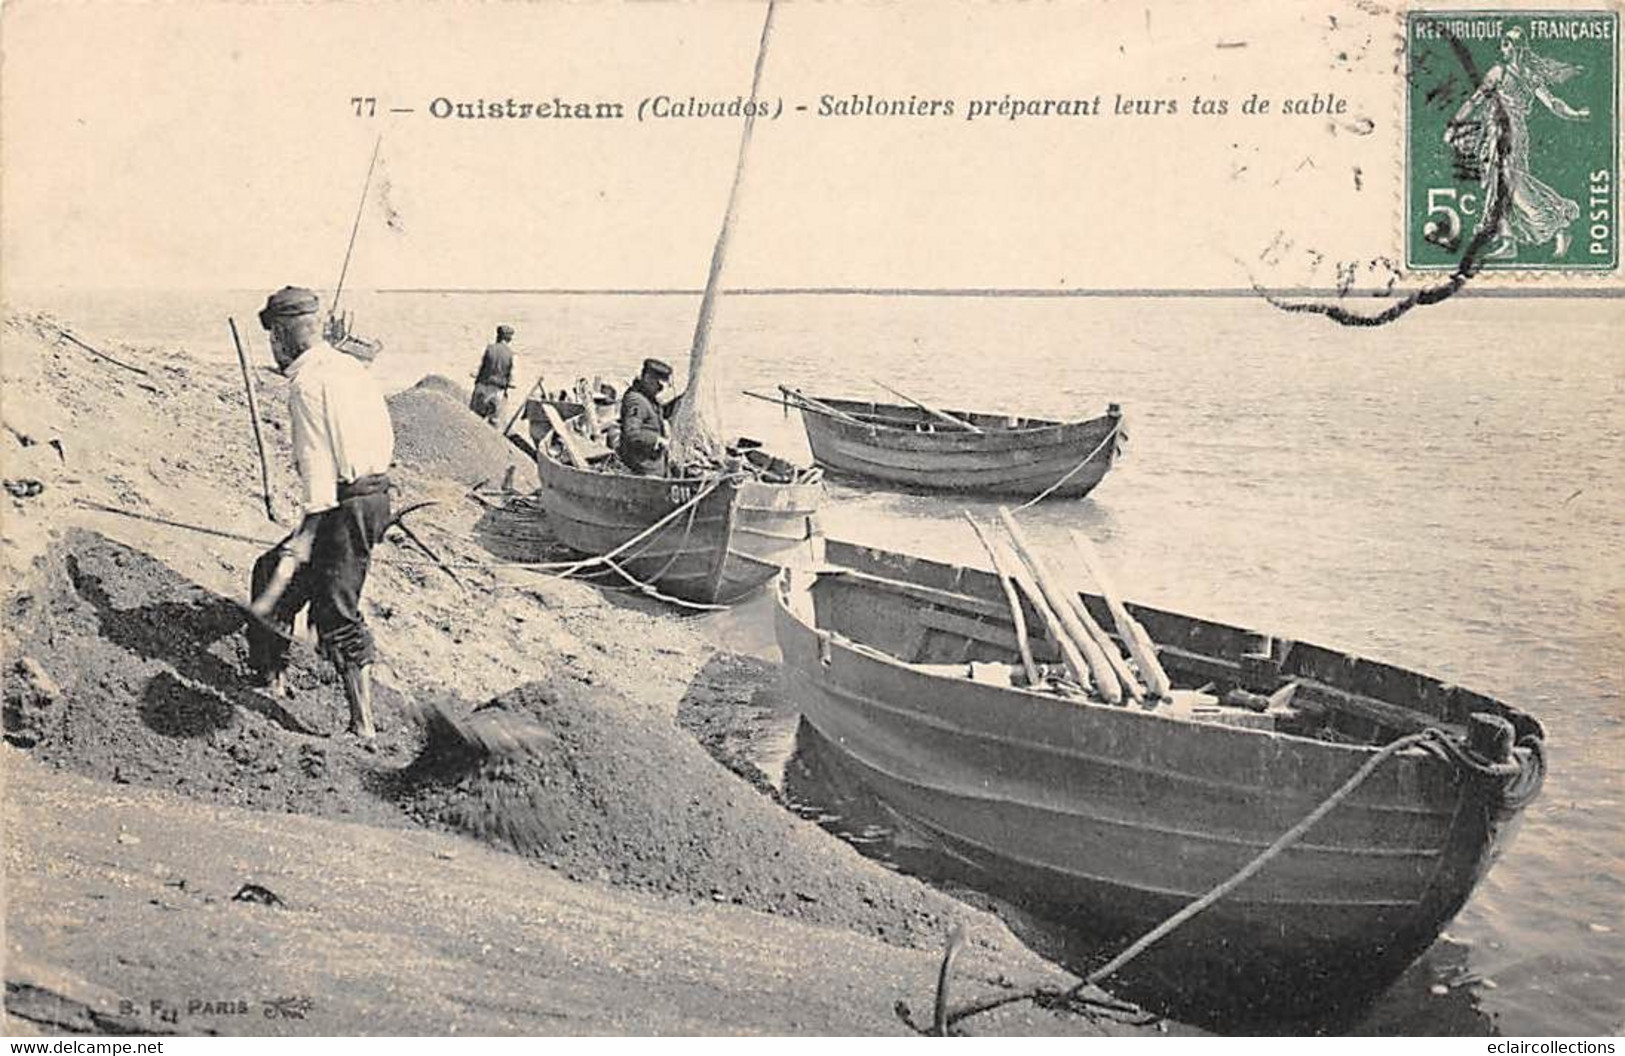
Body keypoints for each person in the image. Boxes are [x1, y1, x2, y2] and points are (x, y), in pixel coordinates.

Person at [248, 286, 395, 739]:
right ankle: (272, 677)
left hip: (344, 504)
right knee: (272, 570)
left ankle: (363, 725)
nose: (272, 347)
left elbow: (316, 465)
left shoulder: (308, 385)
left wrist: (309, 531)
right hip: (373, 495)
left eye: (273, 337)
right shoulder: (351, 367)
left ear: (284, 336)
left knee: (335, 610)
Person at [1445, 27, 1590, 260]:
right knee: (1499, 184)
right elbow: (1475, 101)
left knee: (1511, 184)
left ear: (1519, 47)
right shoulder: (1498, 72)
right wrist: (1455, 123)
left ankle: (1558, 222)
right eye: (1503, 44)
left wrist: (1575, 114)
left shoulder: (1527, 75)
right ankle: (1509, 241)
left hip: (1513, 133)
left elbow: (1552, 103)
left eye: (1508, 44)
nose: (1504, 48)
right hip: (1496, 131)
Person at [616, 357, 675, 475]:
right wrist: (657, 440)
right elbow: (632, 434)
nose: (660, 390)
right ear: (648, 378)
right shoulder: (636, 400)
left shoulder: (646, 396)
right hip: (644, 467)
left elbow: (656, 413)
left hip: (655, 461)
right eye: (658, 385)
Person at [470, 324, 516, 426]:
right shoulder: (510, 354)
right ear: (509, 339)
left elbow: (482, 367)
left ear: (498, 336)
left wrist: (477, 380)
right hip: (497, 391)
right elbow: (510, 375)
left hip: (483, 386)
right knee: (494, 421)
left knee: (475, 418)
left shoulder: (490, 348)